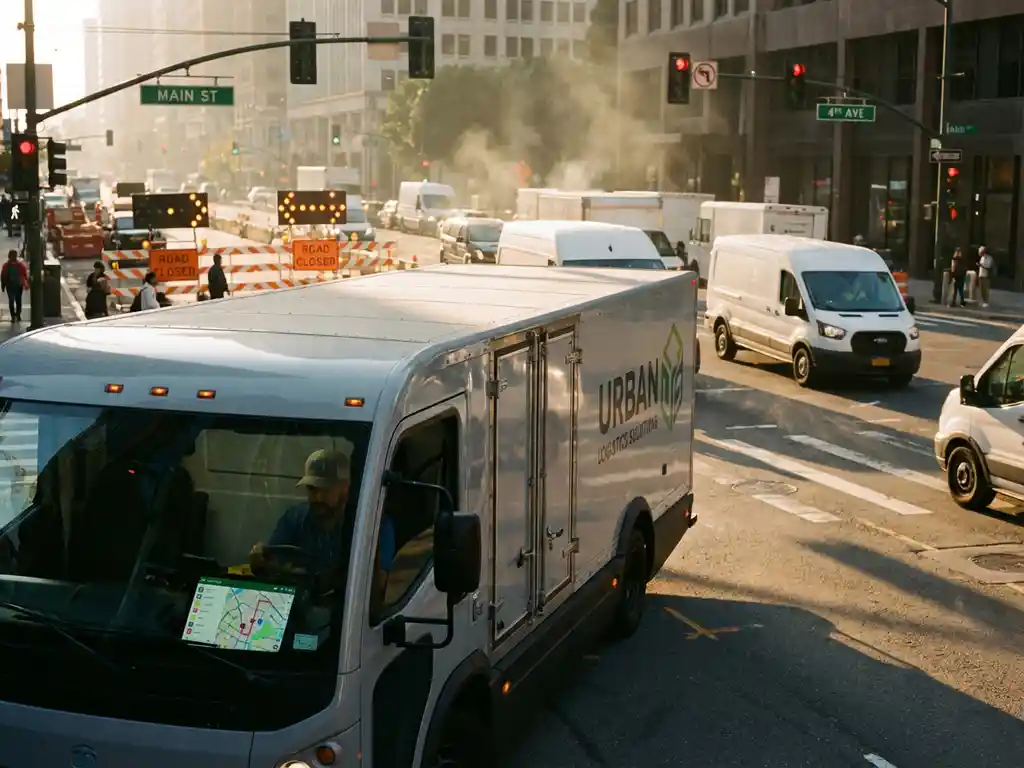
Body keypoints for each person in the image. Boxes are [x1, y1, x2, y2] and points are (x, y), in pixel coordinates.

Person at [250, 448, 396, 585]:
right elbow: (273, 559)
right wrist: (261, 560)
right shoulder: (295, 518)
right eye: (312, 489)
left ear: (346, 487)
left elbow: (378, 584)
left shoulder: (374, 526)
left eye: (325, 489)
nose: (317, 497)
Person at [0, 249, 29, 323]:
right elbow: (24, 275)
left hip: (10, 286)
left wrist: (3, 286)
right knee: (18, 300)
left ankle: (13, 316)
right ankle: (18, 315)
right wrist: (26, 284)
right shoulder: (20, 265)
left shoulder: (6, 265)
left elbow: (3, 276)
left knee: (11, 301)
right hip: (18, 286)